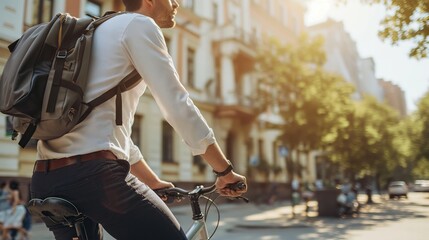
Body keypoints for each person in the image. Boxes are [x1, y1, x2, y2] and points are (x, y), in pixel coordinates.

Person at [30, 0, 247, 239]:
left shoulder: (98, 29)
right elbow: (176, 104)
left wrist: (152, 181)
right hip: (93, 177)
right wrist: (223, 170)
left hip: (45, 177)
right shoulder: (140, 25)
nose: (177, 3)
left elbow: (111, 133)